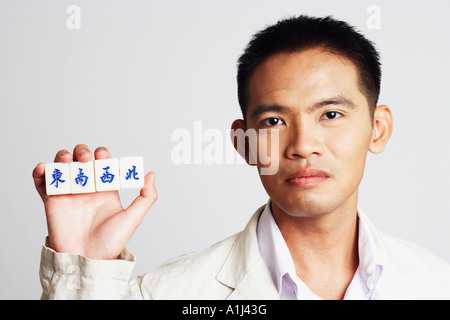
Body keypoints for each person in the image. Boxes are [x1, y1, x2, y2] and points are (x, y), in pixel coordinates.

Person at [34, 15, 450, 300]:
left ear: (378, 128)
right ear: (244, 142)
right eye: (273, 121)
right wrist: (81, 274)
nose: (303, 144)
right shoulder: (166, 294)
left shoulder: (436, 284)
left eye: (331, 114)